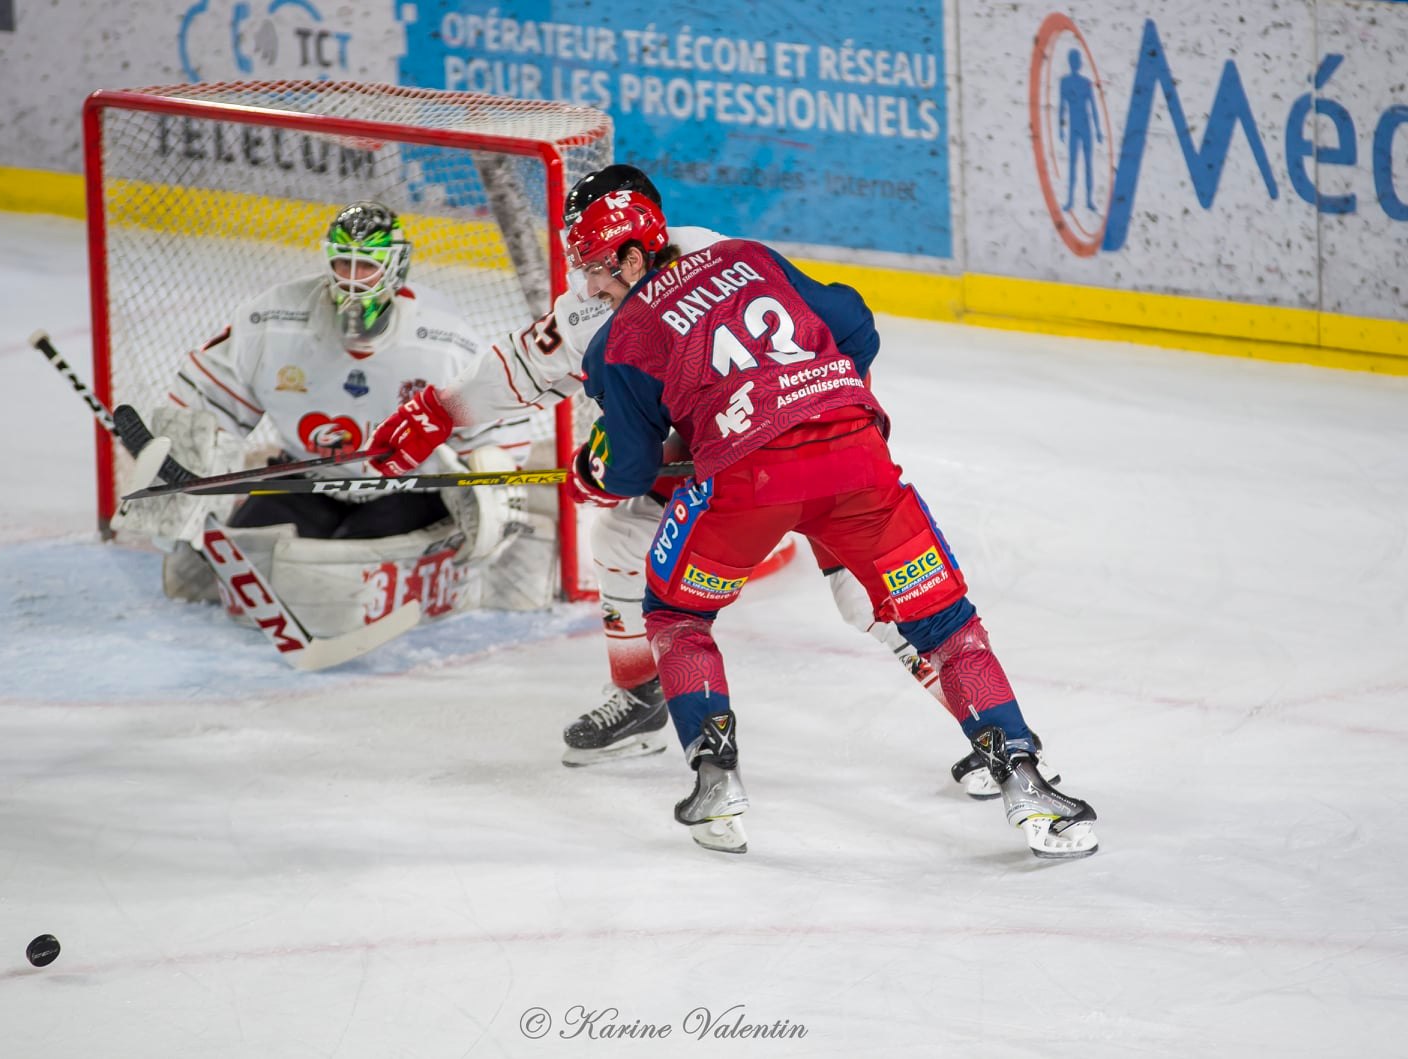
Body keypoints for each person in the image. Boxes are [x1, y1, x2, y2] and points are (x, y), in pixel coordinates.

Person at [365, 165, 1054, 799]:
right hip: (713, 468)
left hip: (785, 450)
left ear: (645, 242)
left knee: (865, 593)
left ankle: (996, 740)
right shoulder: (590, 303)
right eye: (583, 261)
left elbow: (838, 330)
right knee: (620, 537)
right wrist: (439, 411)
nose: (590, 278)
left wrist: (820, 409)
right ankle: (640, 697)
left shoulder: (720, 255)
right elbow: (523, 367)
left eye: (603, 262)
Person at [550, 190, 1099, 858]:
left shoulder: (622, 337)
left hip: (747, 485)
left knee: (676, 615)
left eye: (600, 267)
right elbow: (857, 324)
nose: (592, 286)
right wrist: (821, 399)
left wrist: (592, 468)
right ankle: (1025, 779)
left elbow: (633, 471)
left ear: (636, 255)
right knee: (948, 627)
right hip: (857, 459)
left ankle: (716, 778)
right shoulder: (745, 255)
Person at [114, 201, 542, 635]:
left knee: (343, 583)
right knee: (243, 561)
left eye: (368, 267)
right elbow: (205, 408)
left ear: (397, 267)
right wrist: (177, 488)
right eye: (343, 263)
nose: (353, 281)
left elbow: (496, 437)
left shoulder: (445, 341)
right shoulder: (274, 321)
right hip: (306, 480)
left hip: (406, 489)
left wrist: (488, 500)